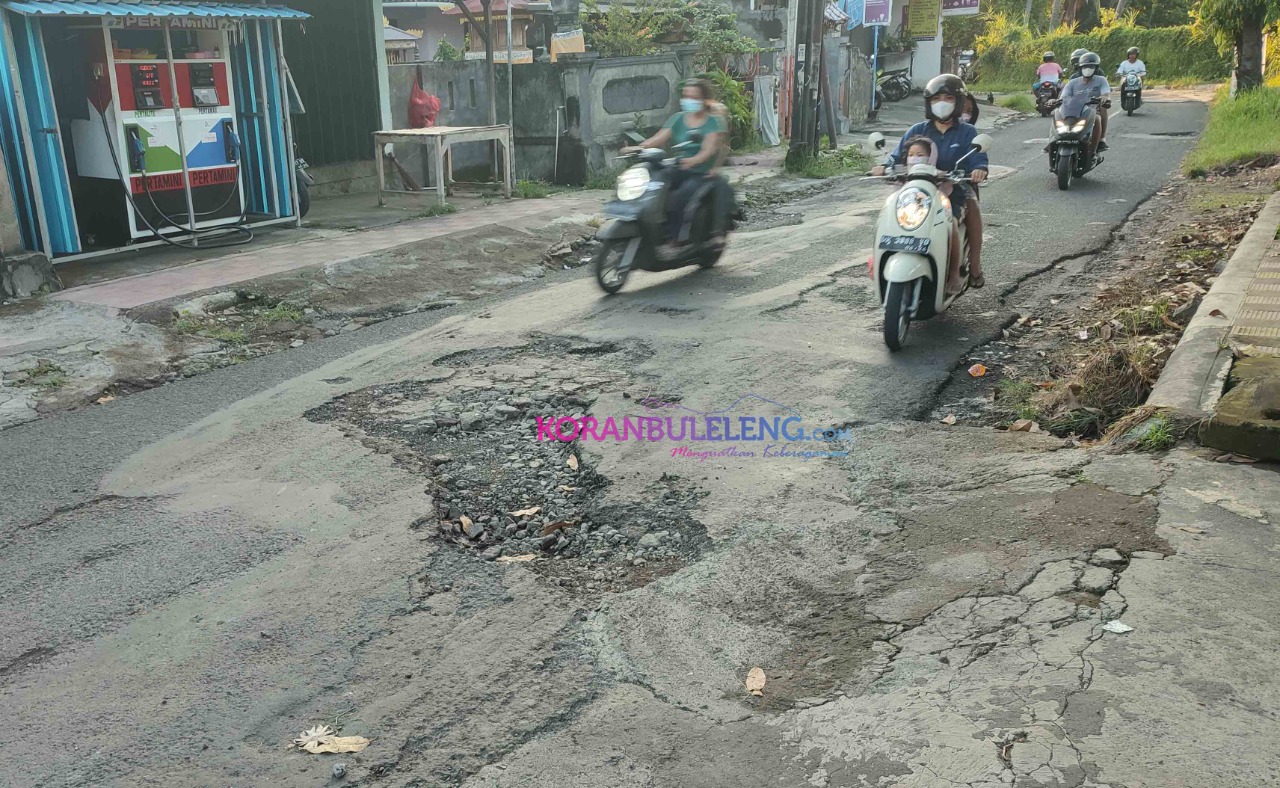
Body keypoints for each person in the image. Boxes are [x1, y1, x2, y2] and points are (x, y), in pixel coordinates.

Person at [871, 74, 988, 295]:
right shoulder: (917, 130)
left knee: (951, 222)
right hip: (915, 191)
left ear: (958, 102)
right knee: (887, 217)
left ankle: (960, 270)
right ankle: (876, 266)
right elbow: (896, 157)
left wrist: (979, 169)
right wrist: (884, 167)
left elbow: (977, 158)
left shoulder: (967, 132)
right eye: (935, 99)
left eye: (947, 97)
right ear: (928, 103)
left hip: (952, 189)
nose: (941, 103)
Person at [626, 79, 726, 257]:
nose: (688, 99)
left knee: (682, 196)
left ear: (703, 100)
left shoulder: (712, 122)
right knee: (655, 184)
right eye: (686, 95)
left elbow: (709, 150)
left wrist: (694, 160)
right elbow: (659, 139)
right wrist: (639, 148)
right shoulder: (678, 118)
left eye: (693, 96)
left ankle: (677, 238)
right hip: (680, 166)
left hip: (699, 172)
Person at [1058, 51, 1111, 152]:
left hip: (1091, 110)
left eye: (1091, 67)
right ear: (1080, 68)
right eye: (1085, 67)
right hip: (1074, 111)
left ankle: (1096, 147)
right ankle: (1054, 140)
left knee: (1097, 118)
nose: (1087, 69)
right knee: (1057, 115)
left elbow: (1106, 93)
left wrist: (1105, 98)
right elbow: (1063, 97)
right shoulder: (1073, 82)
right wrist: (1054, 101)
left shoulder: (1101, 80)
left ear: (1096, 68)